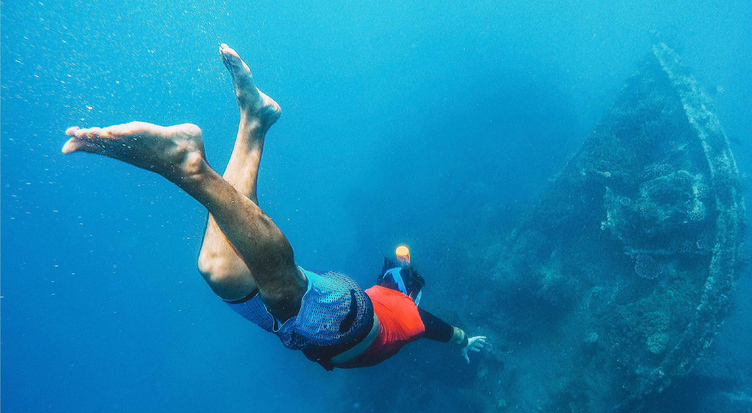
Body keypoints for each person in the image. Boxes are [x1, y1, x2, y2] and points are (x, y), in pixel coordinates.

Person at [62, 44, 490, 370]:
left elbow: (418, 303)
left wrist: (456, 332)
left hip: (322, 314)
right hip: (348, 324)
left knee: (218, 269)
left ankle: (255, 120)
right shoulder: (409, 314)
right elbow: (434, 326)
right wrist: (463, 339)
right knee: (287, 293)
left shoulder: (392, 293)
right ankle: (186, 168)